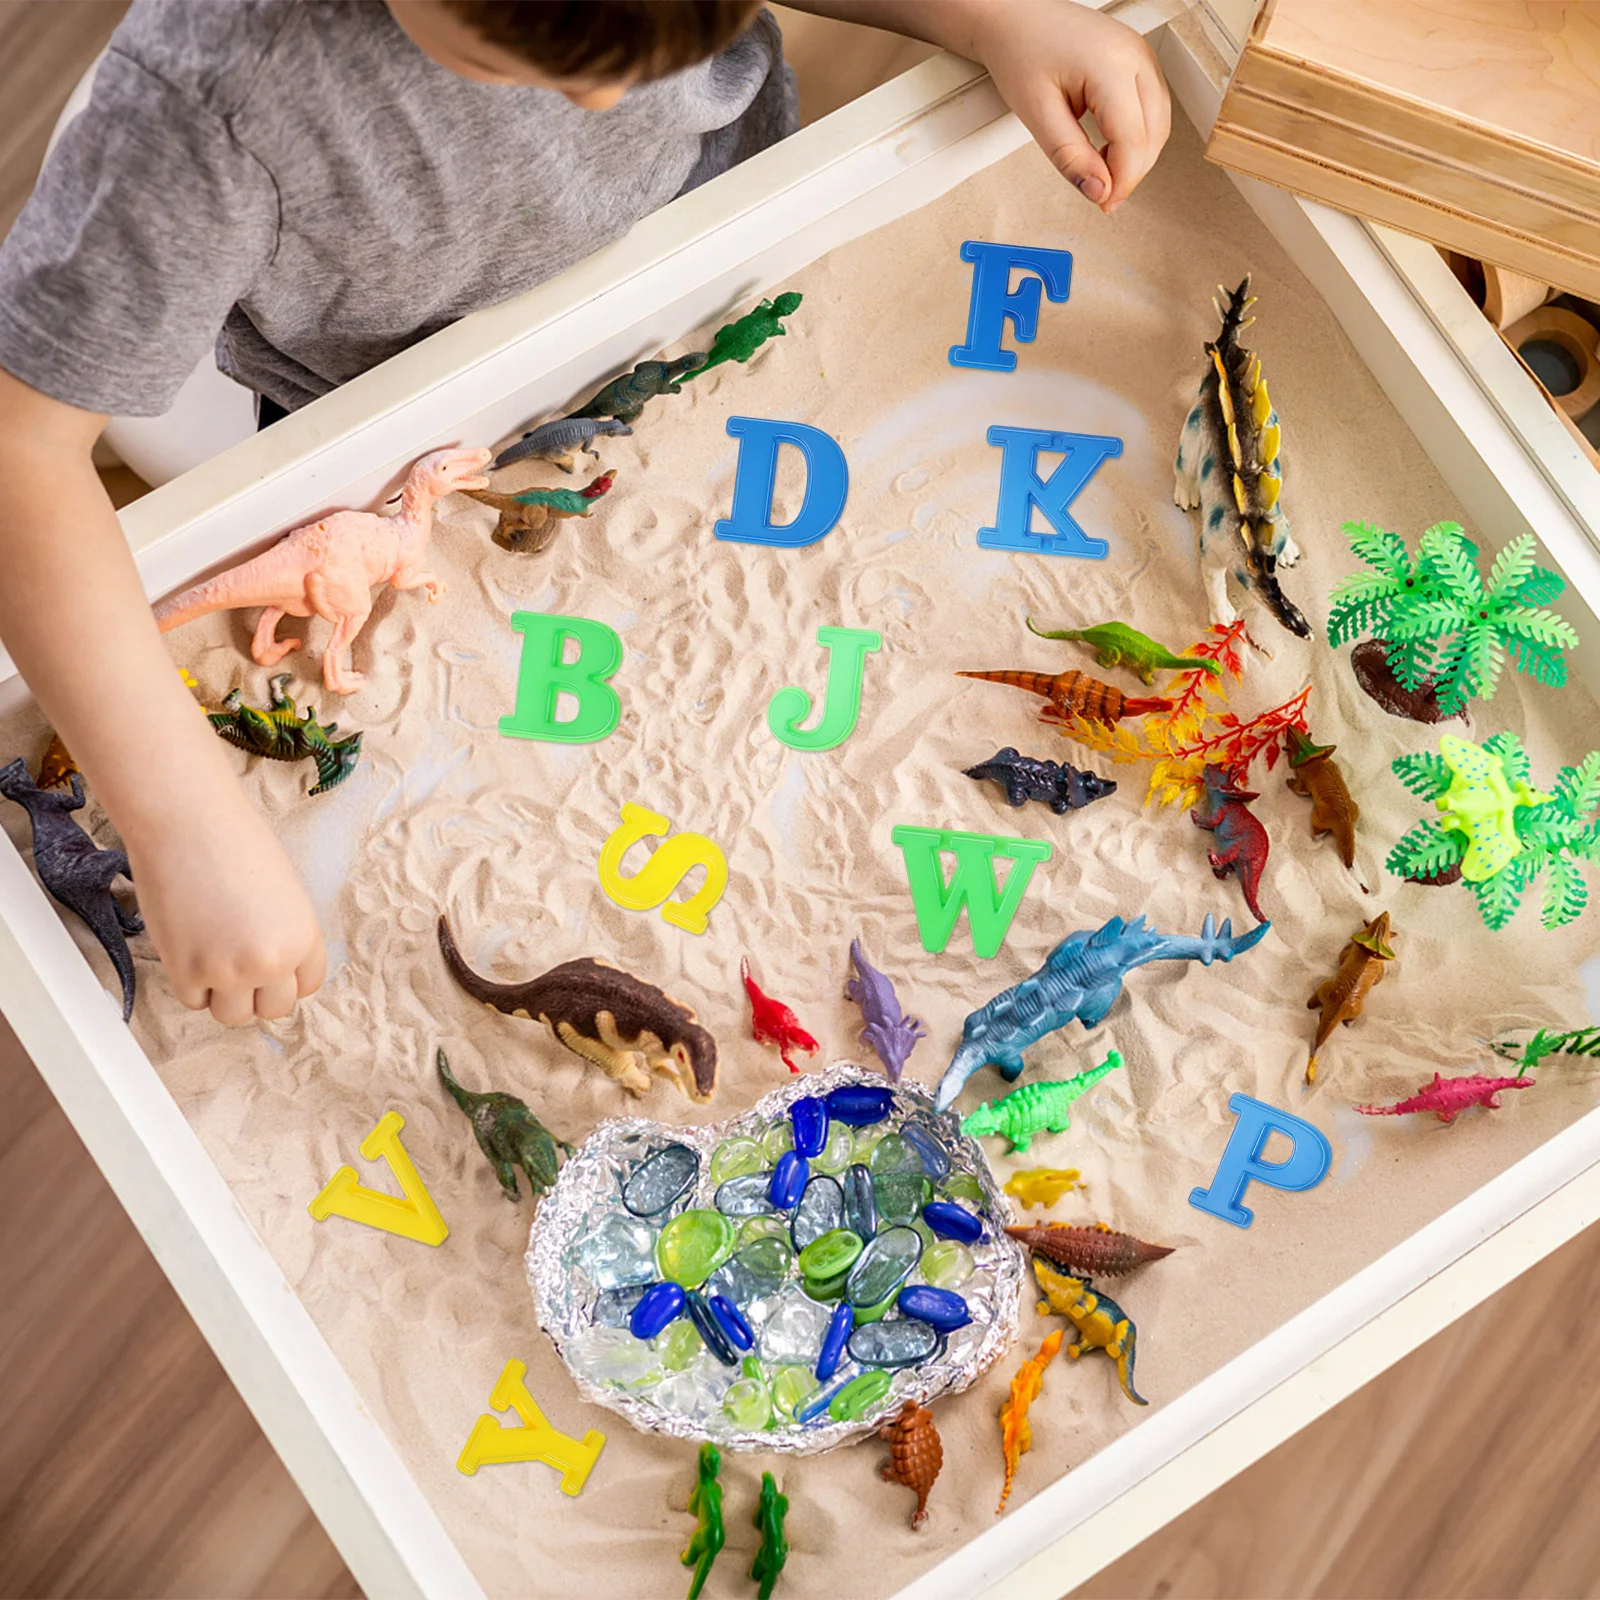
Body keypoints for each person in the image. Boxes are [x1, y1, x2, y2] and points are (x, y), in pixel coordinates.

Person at [0, 0, 1169, 1026]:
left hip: (699, 249)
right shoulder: (211, 95)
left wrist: (987, 18)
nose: (610, 97)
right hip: (389, 405)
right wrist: (181, 823)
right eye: (532, 62)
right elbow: (22, 452)